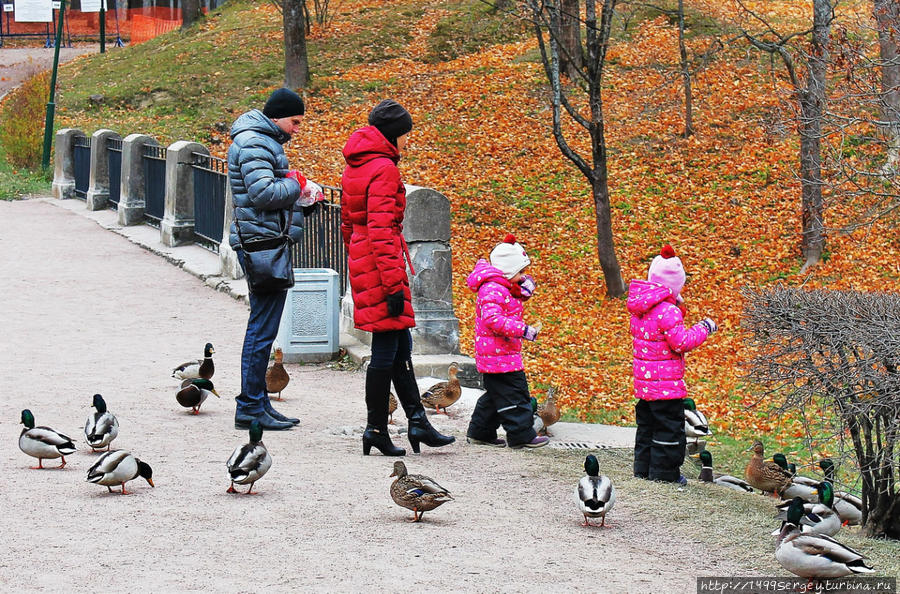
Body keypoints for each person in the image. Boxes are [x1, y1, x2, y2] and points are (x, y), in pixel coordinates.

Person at [340, 98, 455, 456]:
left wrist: (357, 258)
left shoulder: (357, 164)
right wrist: (391, 284)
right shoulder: (384, 169)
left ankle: (418, 422)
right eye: (405, 135)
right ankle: (375, 429)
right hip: (380, 263)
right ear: (394, 134)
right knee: (386, 351)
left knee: (400, 345)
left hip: (365, 259)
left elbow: (349, 223)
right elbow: (380, 229)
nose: (407, 141)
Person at [228, 87, 322, 431]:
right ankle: (250, 407)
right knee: (261, 329)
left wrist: (300, 193)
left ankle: (258, 403)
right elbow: (263, 193)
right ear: (277, 116)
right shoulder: (255, 142)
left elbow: (268, 189)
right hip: (260, 243)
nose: (296, 128)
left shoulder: (261, 141)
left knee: (263, 327)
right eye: (294, 121)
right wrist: (297, 184)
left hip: (264, 240)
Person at [626, 244, 716, 484]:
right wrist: (704, 328)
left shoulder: (640, 309)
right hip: (666, 386)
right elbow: (680, 342)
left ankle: (643, 469)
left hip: (645, 385)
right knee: (669, 430)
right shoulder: (668, 311)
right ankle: (665, 474)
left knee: (647, 428)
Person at [465, 234, 549, 449]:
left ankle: (480, 432)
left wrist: (525, 288)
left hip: (501, 354)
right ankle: (521, 434)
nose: (523, 276)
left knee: (495, 396)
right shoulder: (492, 289)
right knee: (516, 394)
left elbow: (512, 297)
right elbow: (493, 319)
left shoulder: (502, 286)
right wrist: (523, 330)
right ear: (508, 271)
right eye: (520, 272)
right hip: (498, 355)